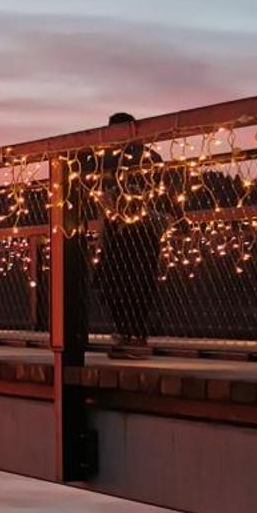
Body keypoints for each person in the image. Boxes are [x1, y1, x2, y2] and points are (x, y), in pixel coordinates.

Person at [93, 111, 164, 356]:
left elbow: (100, 192)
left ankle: (128, 334)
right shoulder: (149, 157)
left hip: (125, 230)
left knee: (118, 282)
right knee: (137, 283)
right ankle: (133, 335)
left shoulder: (106, 159)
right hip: (141, 231)